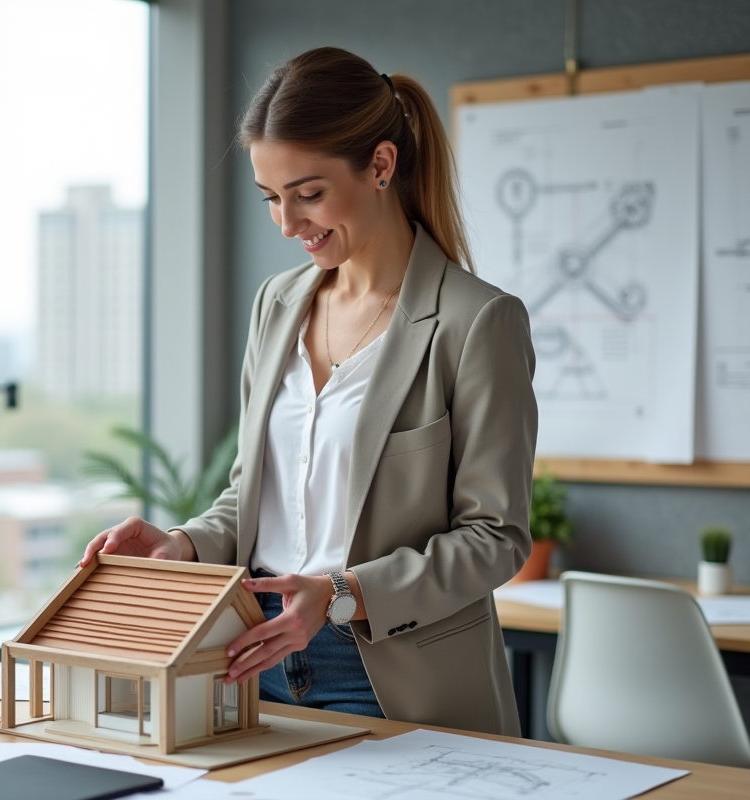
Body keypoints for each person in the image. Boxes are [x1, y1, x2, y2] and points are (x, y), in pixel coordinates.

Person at [80, 46, 537, 736]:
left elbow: (495, 537)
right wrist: (182, 546)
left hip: (391, 675)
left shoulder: (477, 322)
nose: (288, 225)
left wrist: (343, 596)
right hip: (251, 656)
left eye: (309, 193)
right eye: (271, 198)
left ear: (381, 166)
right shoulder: (277, 304)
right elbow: (252, 499)